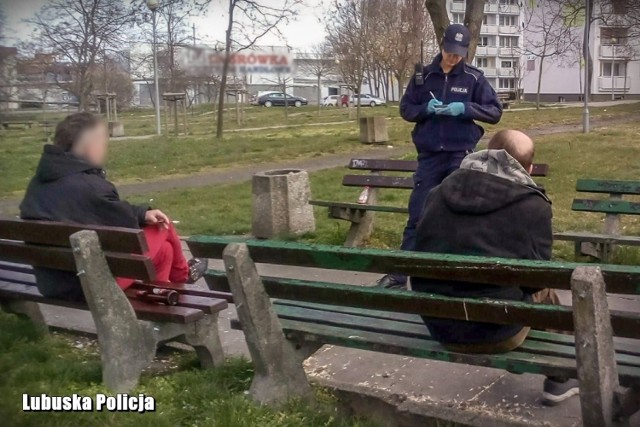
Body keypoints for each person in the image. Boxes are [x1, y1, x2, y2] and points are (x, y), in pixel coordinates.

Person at [411, 129, 579, 406]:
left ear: (487, 153)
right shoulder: (532, 205)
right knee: (546, 292)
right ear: (530, 168)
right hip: (496, 333)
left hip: (438, 323)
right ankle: (559, 379)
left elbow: (419, 254)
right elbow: (536, 280)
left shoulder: (438, 193)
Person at [20, 112, 207, 302]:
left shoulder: (38, 184)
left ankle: (162, 302)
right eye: (103, 144)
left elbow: (106, 211)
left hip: (52, 283)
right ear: (90, 147)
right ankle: (183, 276)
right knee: (162, 226)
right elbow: (129, 231)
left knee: (165, 251)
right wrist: (144, 216)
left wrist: (142, 213)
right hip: (90, 285)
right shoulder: (91, 187)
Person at [377, 23, 503, 289]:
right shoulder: (423, 75)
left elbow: (494, 112)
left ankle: (454, 276)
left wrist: (465, 108)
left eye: (458, 53)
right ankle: (400, 274)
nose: (452, 57)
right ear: (442, 45)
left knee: (457, 215)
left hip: (460, 154)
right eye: (449, 51)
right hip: (430, 156)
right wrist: (426, 109)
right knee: (418, 214)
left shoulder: (474, 78)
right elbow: (406, 110)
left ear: (465, 52)